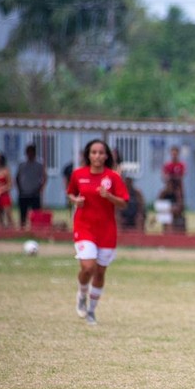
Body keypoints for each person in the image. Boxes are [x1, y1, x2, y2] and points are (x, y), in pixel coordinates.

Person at [67, 139, 129, 326]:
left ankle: (92, 311)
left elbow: (124, 203)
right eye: (94, 152)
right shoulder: (78, 174)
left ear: (107, 156)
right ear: (88, 154)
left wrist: (109, 196)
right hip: (84, 227)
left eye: (101, 153)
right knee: (88, 267)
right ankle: (81, 295)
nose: (97, 156)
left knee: (100, 273)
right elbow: (70, 193)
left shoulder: (113, 177)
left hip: (106, 230)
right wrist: (75, 200)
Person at [15, 144, 47, 229]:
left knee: (36, 213)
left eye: (31, 152)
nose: (30, 154)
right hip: (23, 193)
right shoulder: (22, 164)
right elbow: (17, 177)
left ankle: (36, 229)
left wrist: (40, 188)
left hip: (34, 193)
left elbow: (44, 177)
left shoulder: (39, 165)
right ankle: (22, 229)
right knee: (23, 214)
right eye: (28, 152)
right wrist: (19, 189)